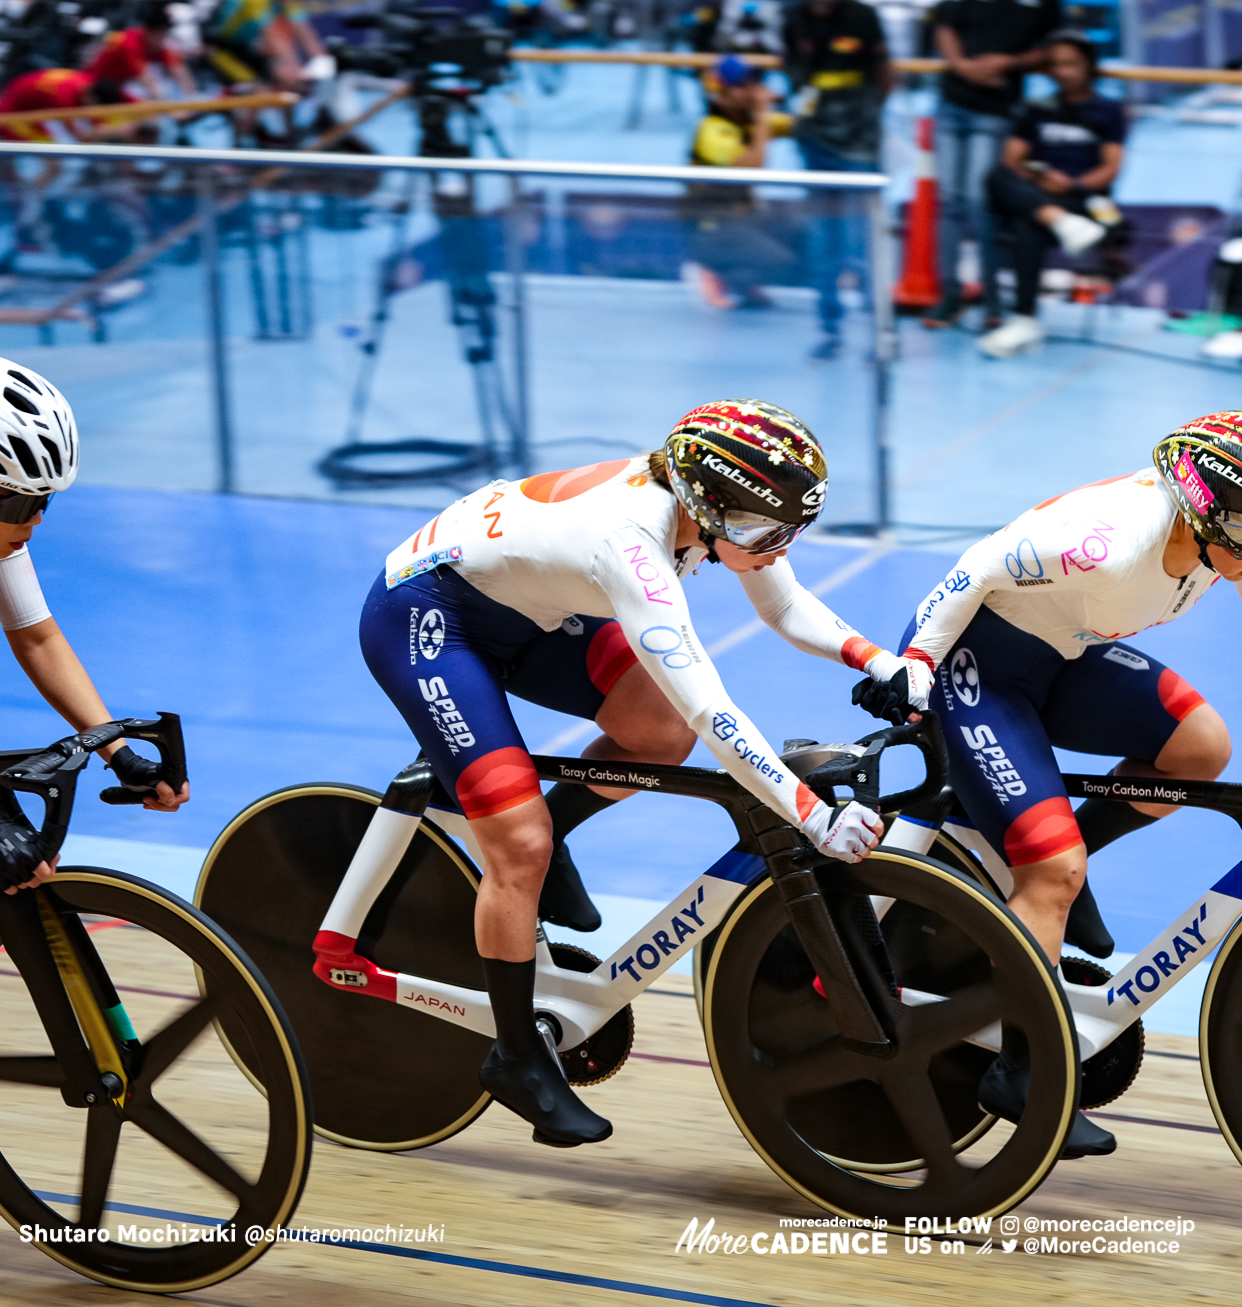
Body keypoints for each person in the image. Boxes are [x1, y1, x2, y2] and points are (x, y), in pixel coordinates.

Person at [359, 399, 922, 1146]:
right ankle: (517, 1053)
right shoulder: (631, 548)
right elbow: (713, 714)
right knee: (518, 846)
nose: (777, 544)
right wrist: (812, 816)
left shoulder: (714, 511)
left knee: (651, 733)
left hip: (528, 607)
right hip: (428, 618)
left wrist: (878, 659)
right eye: (763, 528)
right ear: (704, 502)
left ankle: (547, 834)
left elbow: (779, 601)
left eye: (792, 526)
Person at [885, 411, 1242, 1157]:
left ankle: (1061, 860)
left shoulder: (1233, 533)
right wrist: (912, 668)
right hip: (976, 669)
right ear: (1205, 510)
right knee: (1051, 869)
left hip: (1062, 655)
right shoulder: (1106, 540)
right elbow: (970, 571)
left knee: (1201, 747)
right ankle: (1024, 1071)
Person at [0, 353, 189, 894]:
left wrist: (117, 750)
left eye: (45, 502)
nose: (35, 519)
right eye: (20, 505)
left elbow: (37, 637)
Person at [979, 30, 1124, 360]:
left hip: (1082, 198)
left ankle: (1024, 319)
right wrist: (1037, 175)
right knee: (996, 177)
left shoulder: (1108, 111)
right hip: (1041, 194)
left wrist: (1072, 185)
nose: (1064, 72)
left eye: (1072, 64)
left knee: (1028, 222)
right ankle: (1056, 221)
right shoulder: (1036, 108)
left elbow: (1111, 168)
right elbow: (1012, 160)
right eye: (1056, 64)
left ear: (1089, 66)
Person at [924, 0, 1064, 332]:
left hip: (997, 110)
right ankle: (950, 295)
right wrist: (961, 65)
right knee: (949, 204)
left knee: (980, 202)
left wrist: (1009, 63)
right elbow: (944, 25)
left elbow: (1052, 48)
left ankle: (992, 299)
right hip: (951, 105)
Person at [783, 0, 894, 358]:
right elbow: (794, 75)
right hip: (815, 145)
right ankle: (829, 330)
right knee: (823, 242)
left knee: (862, 241)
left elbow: (885, 72)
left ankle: (880, 332)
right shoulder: (794, 19)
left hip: (859, 146)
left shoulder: (863, 17)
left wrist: (866, 120)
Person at [686, 54, 797, 310]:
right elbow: (752, 167)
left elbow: (799, 127)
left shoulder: (746, 120)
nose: (752, 90)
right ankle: (715, 272)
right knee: (780, 260)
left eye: (753, 83)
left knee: (803, 232)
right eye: (745, 85)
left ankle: (742, 281)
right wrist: (762, 113)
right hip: (711, 227)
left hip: (743, 217)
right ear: (726, 92)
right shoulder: (711, 130)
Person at [202, 0, 329, 92]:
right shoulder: (255, 2)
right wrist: (296, 69)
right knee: (259, 89)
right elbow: (272, 35)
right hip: (221, 47)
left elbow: (304, 31)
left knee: (286, 76)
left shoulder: (289, 3)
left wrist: (323, 60)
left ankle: (290, 126)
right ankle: (245, 129)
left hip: (247, 45)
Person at [86, 2, 201, 103]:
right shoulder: (129, 42)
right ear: (151, 32)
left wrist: (193, 98)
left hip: (120, 84)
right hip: (97, 86)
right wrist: (170, 110)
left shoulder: (155, 43)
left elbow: (178, 68)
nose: (164, 39)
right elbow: (147, 81)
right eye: (162, 34)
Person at [0, 69, 135, 144]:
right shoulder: (64, 99)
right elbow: (81, 138)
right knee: (54, 162)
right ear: (91, 97)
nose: (94, 111)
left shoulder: (89, 83)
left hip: (30, 109)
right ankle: (28, 196)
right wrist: (116, 130)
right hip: (8, 113)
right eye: (95, 107)